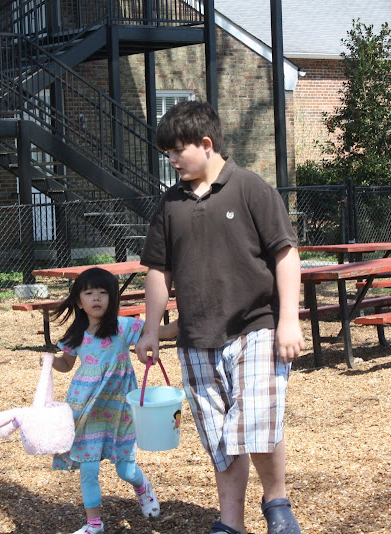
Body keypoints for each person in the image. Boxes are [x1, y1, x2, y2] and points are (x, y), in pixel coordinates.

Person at [135, 100, 305, 534]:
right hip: (196, 337)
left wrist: (289, 320)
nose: (172, 161)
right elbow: (158, 271)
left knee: (256, 418)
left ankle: (277, 502)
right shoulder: (170, 204)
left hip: (256, 327)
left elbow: (286, 254)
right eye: (168, 154)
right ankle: (231, 523)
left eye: (178, 151)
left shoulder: (250, 188)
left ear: (206, 144)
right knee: (219, 437)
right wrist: (151, 330)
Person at [50, 267, 177, 534]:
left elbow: (161, 332)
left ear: (113, 299)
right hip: (87, 409)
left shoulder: (123, 327)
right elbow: (66, 364)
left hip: (119, 410)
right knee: (88, 469)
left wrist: (186, 321)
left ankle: (142, 487)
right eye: (89, 293)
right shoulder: (75, 335)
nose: (96, 298)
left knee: (125, 470)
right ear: (79, 302)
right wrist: (51, 361)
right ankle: (94, 523)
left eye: (103, 292)